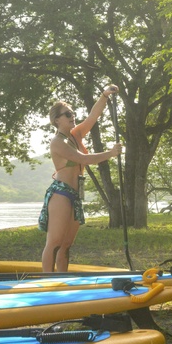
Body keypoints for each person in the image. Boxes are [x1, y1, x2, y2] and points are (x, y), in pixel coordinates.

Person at [38, 86, 122, 272]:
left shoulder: (75, 135)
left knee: (67, 244)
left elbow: (93, 117)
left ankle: (62, 279)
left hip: (75, 195)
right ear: (56, 120)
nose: (72, 116)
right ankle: (46, 282)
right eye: (67, 114)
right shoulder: (57, 142)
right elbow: (83, 159)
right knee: (55, 242)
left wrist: (104, 95)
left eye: (72, 113)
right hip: (61, 193)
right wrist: (110, 153)